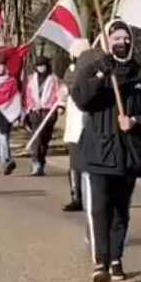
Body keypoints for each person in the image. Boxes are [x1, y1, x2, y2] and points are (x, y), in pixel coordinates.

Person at [70, 22, 141, 282]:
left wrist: (136, 120)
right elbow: (80, 98)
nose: (121, 42)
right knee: (101, 208)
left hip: (129, 154)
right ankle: (101, 261)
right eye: (116, 38)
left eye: (125, 38)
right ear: (107, 41)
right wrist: (101, 74)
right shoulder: (94, 69)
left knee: (120, 210)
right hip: (99, 153)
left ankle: (116, 258)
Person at [22, 55, 64, 176]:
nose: (41, 68)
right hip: (35, 111)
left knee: (45, 139)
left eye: (43, 65)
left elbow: (60, 93)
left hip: (48, 112)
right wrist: (27, 110)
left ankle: (42, 161)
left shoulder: (54, 79)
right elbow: (26, 95)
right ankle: (36, 162)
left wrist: (60, 106)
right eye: (38, 66)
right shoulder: (31, 79)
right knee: (36, 137)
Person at [60, 55, 85, 212]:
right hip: (75, 123)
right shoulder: (70, 71)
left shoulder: (97, 72)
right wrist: (61, 105)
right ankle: (76, 198)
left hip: (92, 125)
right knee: (75, 162)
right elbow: (64, 91)